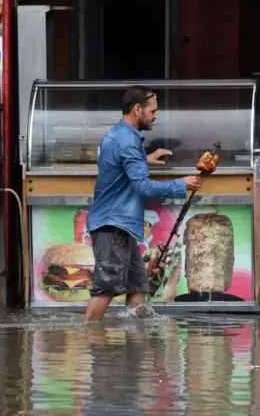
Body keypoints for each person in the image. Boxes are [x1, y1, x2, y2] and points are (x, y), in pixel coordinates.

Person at [84, 85, 202, 322]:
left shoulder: (121, 135)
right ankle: (92, 341)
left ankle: (134, 350)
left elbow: (120, 168)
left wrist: (145, 159)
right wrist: (182, 184)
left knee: (138, 286)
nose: (155, 116)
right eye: (152, 110)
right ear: (138, 109)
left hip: (122, 226)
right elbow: (144, 187)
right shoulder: (127, 141)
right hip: (113, 226)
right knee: (105, 288)